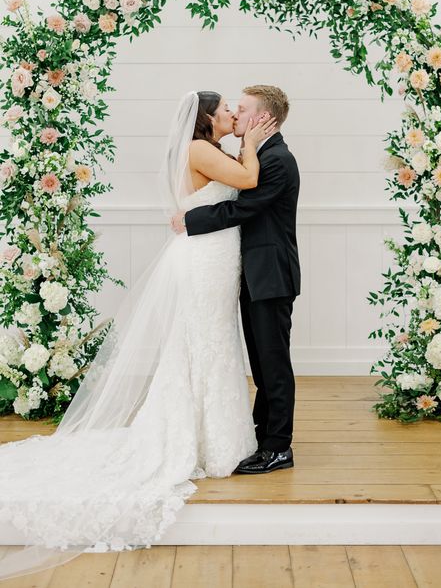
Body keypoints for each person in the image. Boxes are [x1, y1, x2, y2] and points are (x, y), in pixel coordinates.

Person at [0, 90, 277, 581]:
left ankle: (217, 437)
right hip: (205, 259)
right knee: (204, 342)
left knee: (212, 343)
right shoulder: (199, 150)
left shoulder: (211, 149)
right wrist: (253, 141)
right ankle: (202, 441)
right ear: (207, 119)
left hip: (214, 255)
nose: (234, 115)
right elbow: (249, 179)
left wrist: (243, 140)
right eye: (227, 111)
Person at [171, 84, 301, 475]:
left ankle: (279, 448)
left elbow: (244, 207)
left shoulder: (278, 159)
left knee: (274, 365)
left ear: (263, 118)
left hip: (270, 275)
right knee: (262, 364)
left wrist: (190, 220)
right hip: (249, 274)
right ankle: (264, 438)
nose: (235, 115)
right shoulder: (255, 154)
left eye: (242, 109)